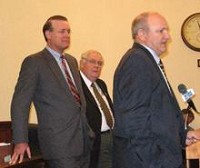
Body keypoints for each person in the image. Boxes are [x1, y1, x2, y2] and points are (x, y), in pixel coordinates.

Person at [113, 12, 200, 168]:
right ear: (142, 35)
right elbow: (135, 122)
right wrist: (156, 162)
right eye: (161, 31)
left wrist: (182, 135)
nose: (168, 36)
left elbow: (157, 115)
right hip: (149, 162)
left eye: (166, 30)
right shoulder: (137, 62)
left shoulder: (146, 60)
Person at [10, 15, 94, 168]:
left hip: (83, 141)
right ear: (48, 34)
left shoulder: (71, 61)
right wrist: (21, 140)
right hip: (59, 144)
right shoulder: (34, 62)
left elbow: (78, 101)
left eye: (69, 31)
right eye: (62, 31)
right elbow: (20, 103)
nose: (67, 35)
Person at [79, 50, 114, 168]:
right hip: (93, 142)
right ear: (81, 64)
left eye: (100, 63)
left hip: (111, 138)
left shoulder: (101, 84)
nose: (97, 66)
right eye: (92, 62)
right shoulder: (76, 86)